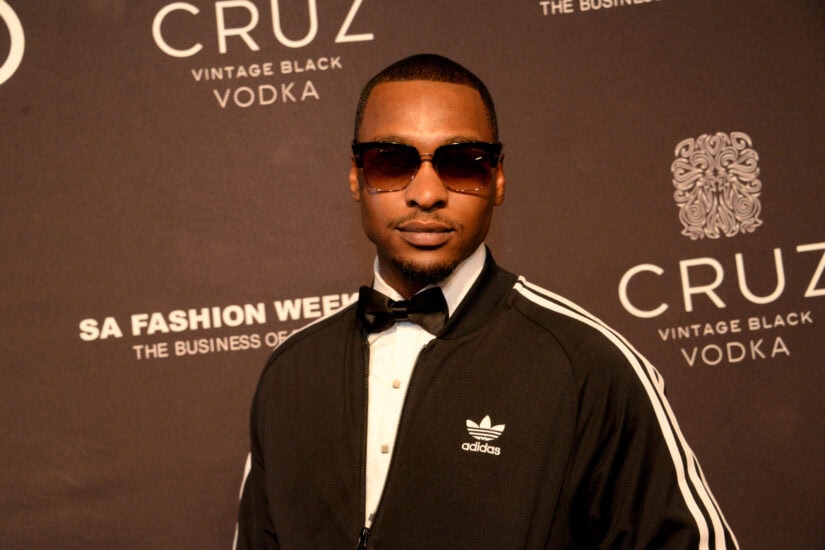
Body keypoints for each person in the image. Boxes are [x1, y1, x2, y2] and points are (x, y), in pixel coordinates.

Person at [235, 54, 738, 549]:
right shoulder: (290, 373)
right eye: (391, 161)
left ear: (497, 179)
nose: (426, 193)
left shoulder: (586, 365)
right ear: (356, 175)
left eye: (462, 164)